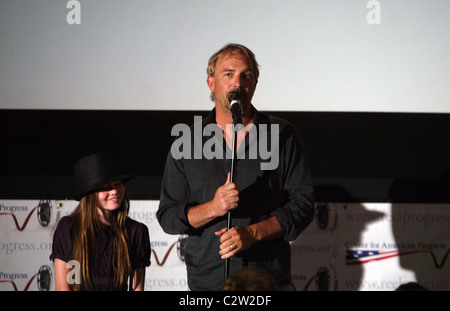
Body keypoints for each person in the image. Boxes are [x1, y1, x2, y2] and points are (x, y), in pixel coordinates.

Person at [157, 43, 314, 291]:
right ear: (211, 83)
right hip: (208, 282)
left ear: (255, 83)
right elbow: (168, 216)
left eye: (246, 75)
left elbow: (303, 205)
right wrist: (212, 208)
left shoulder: (282, 134)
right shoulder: (187, 142)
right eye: (228, 74)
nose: (237, 83)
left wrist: (253, 234)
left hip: (266, 280)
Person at [50, 152, 151, 291]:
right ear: (89, 194)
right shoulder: (69, 229)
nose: (114, 191)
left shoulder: (136, 232)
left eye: (117, 184)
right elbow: (64, 288)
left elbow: (137, 288)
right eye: (105, 187)